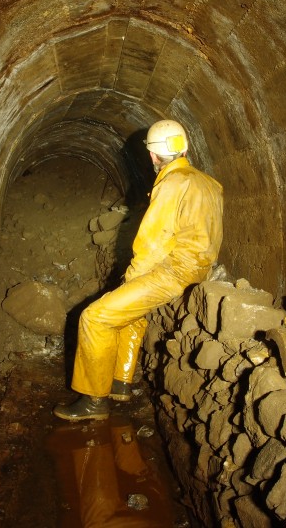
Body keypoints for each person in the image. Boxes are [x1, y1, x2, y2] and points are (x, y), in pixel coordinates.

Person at [54, 119, 224, 421]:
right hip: (198, 271)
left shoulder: (173, 183)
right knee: (131, 316)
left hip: (173, 272)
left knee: (95, 317)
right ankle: (121, 382)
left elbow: (153, 241)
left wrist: (131, 279)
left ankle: (94, 401)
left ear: (153, 156)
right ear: (184, 148)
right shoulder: (208, 183)